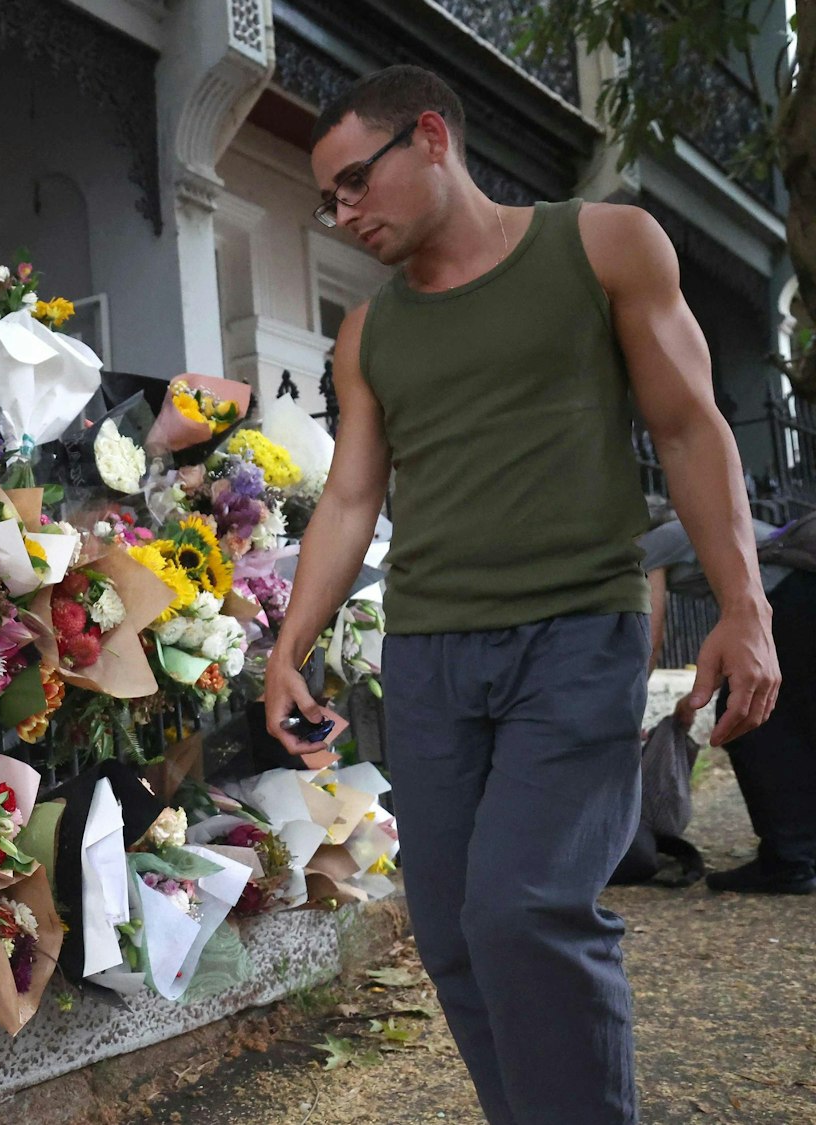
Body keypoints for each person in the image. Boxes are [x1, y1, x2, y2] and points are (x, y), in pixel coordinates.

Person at [261, 65, 780, 1125]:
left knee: (524, 909)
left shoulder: (600, 244)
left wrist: (741, 605)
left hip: (574, 635)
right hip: (428, 657)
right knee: (454, 934)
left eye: (354, 181)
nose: (342, 212)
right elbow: (351, 497)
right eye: (328, 200)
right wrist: (287, 645)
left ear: (430, 136)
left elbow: (688, 429)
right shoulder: (367, 335)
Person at [640, 510, 814, 893]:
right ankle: (800, 849)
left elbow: (649, 637)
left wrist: (633, 702)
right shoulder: (696, 525)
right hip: (800, 597)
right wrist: (699, 694)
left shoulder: (650, 546)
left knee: (746, 723)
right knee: (798, 720)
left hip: (788, 600)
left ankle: (788, 861)